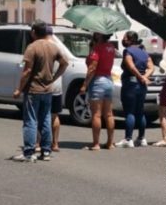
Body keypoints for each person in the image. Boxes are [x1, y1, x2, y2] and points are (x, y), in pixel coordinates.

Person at [12, 22, 68, 162]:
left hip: (33, 89)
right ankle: (46, 151)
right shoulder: (53, 47)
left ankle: (29, 152)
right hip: (47, 90)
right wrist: (54, 77)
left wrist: (19, 89)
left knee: (30, 120)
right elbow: (64, 63)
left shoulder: (32, 47)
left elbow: (28, 70)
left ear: (34, 32)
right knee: (45, 120)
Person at [115, 31, 154, 148]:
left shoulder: (128, 51)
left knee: (130, 112)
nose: (123, 40)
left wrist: (140, 76)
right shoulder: (143, 52)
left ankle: (128, 139)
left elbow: (131, 66)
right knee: (140, 111)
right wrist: (144, 77)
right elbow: (151, 67)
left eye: (125, 38)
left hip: (131, 84)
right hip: (142, 85)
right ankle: (141, 138)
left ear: (130, 40)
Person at [80, 32, 116, 150]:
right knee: (109, 114)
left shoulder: (97, 48)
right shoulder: (111, 47)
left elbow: (92, 68)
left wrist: (85, 84)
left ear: (100, 35)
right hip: (108, 80)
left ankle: (96, 143)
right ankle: (110, 143)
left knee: (96, 114)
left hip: (98, 81)